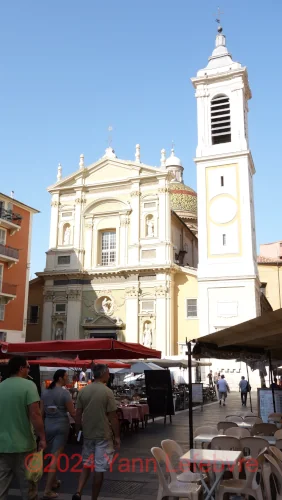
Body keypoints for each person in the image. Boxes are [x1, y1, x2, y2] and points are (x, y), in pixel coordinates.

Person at [0, 356, 46, 500]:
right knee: (29, 488)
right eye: (28, 367)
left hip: (2, 446)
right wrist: (42, 437)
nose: (29, 370)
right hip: (25, 446)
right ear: (21, 368)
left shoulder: (1, 386)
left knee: (1, 487)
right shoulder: (29, 385)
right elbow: (35, 414)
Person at [72, 364, 121, 500]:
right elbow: (113, 417)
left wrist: (77, 430)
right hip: (103, 435)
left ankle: (78, 491)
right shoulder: (107, 392)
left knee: (86, 464)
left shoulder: (84, 391)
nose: (109, 375)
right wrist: (117, 436)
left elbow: (78, 414)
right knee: (99, 469)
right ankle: (94, 498)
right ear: (104, 373)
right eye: (108, 373)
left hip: (88, 434)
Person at [41, 369, 76, 499]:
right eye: (66, 377)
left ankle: (54, 481)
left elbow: (41, 412)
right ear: (60, 378)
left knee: (51, 455)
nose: (68, 379)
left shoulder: (45, 392)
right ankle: (47, 490)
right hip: (61, 426)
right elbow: (72, 412)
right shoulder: (65, 393)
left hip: (48, 425)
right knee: (55, 457)